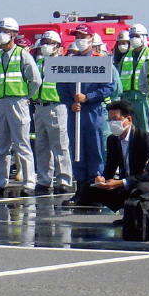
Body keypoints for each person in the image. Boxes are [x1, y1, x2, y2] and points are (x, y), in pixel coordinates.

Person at [57, 26, 115, 207]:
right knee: (77, 150)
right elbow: (61, 86)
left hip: (92, 112)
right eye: (77, 36)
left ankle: (95, 190)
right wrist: (69, 102)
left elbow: (109, 88)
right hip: (75, 113)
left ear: (91, 38)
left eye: (83, 36)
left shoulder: (100, 61)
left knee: (95, 149)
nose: (80, 39)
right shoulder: (69, 62)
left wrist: (88, 97)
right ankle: (80, 189)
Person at [0, 17, 41, 197]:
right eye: (0, 30)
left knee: (22, 144)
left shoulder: (23, 54)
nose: (1, 34)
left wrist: (26, 97)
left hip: (18, 102)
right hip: (1, 102)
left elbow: (35, 80)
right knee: (1, 145)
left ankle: (29, 183)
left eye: (5, 31)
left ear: (14, 35)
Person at [85, 100, 149, 213]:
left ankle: (137, 216)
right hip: (123, 183)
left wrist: (122, 182)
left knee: (141, 189)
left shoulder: (145, 138)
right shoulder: (112, 140)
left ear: (128, 119)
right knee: (91, 190)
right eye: (109, 120)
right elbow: (110, 166)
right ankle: (126, 214)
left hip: (142, 182)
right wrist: (103, 180)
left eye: (115, 119)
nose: (112, 123)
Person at [32, 30, 71, 196]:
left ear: (58, 46)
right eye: (44, 42)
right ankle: (44, 180)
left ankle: (64, 180)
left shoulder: (61, 64)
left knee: (60, 145)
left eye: (50, 42)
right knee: (41, 146)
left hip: (56, 106)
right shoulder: (39, 63)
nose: (46, 46)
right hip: (39, 107)